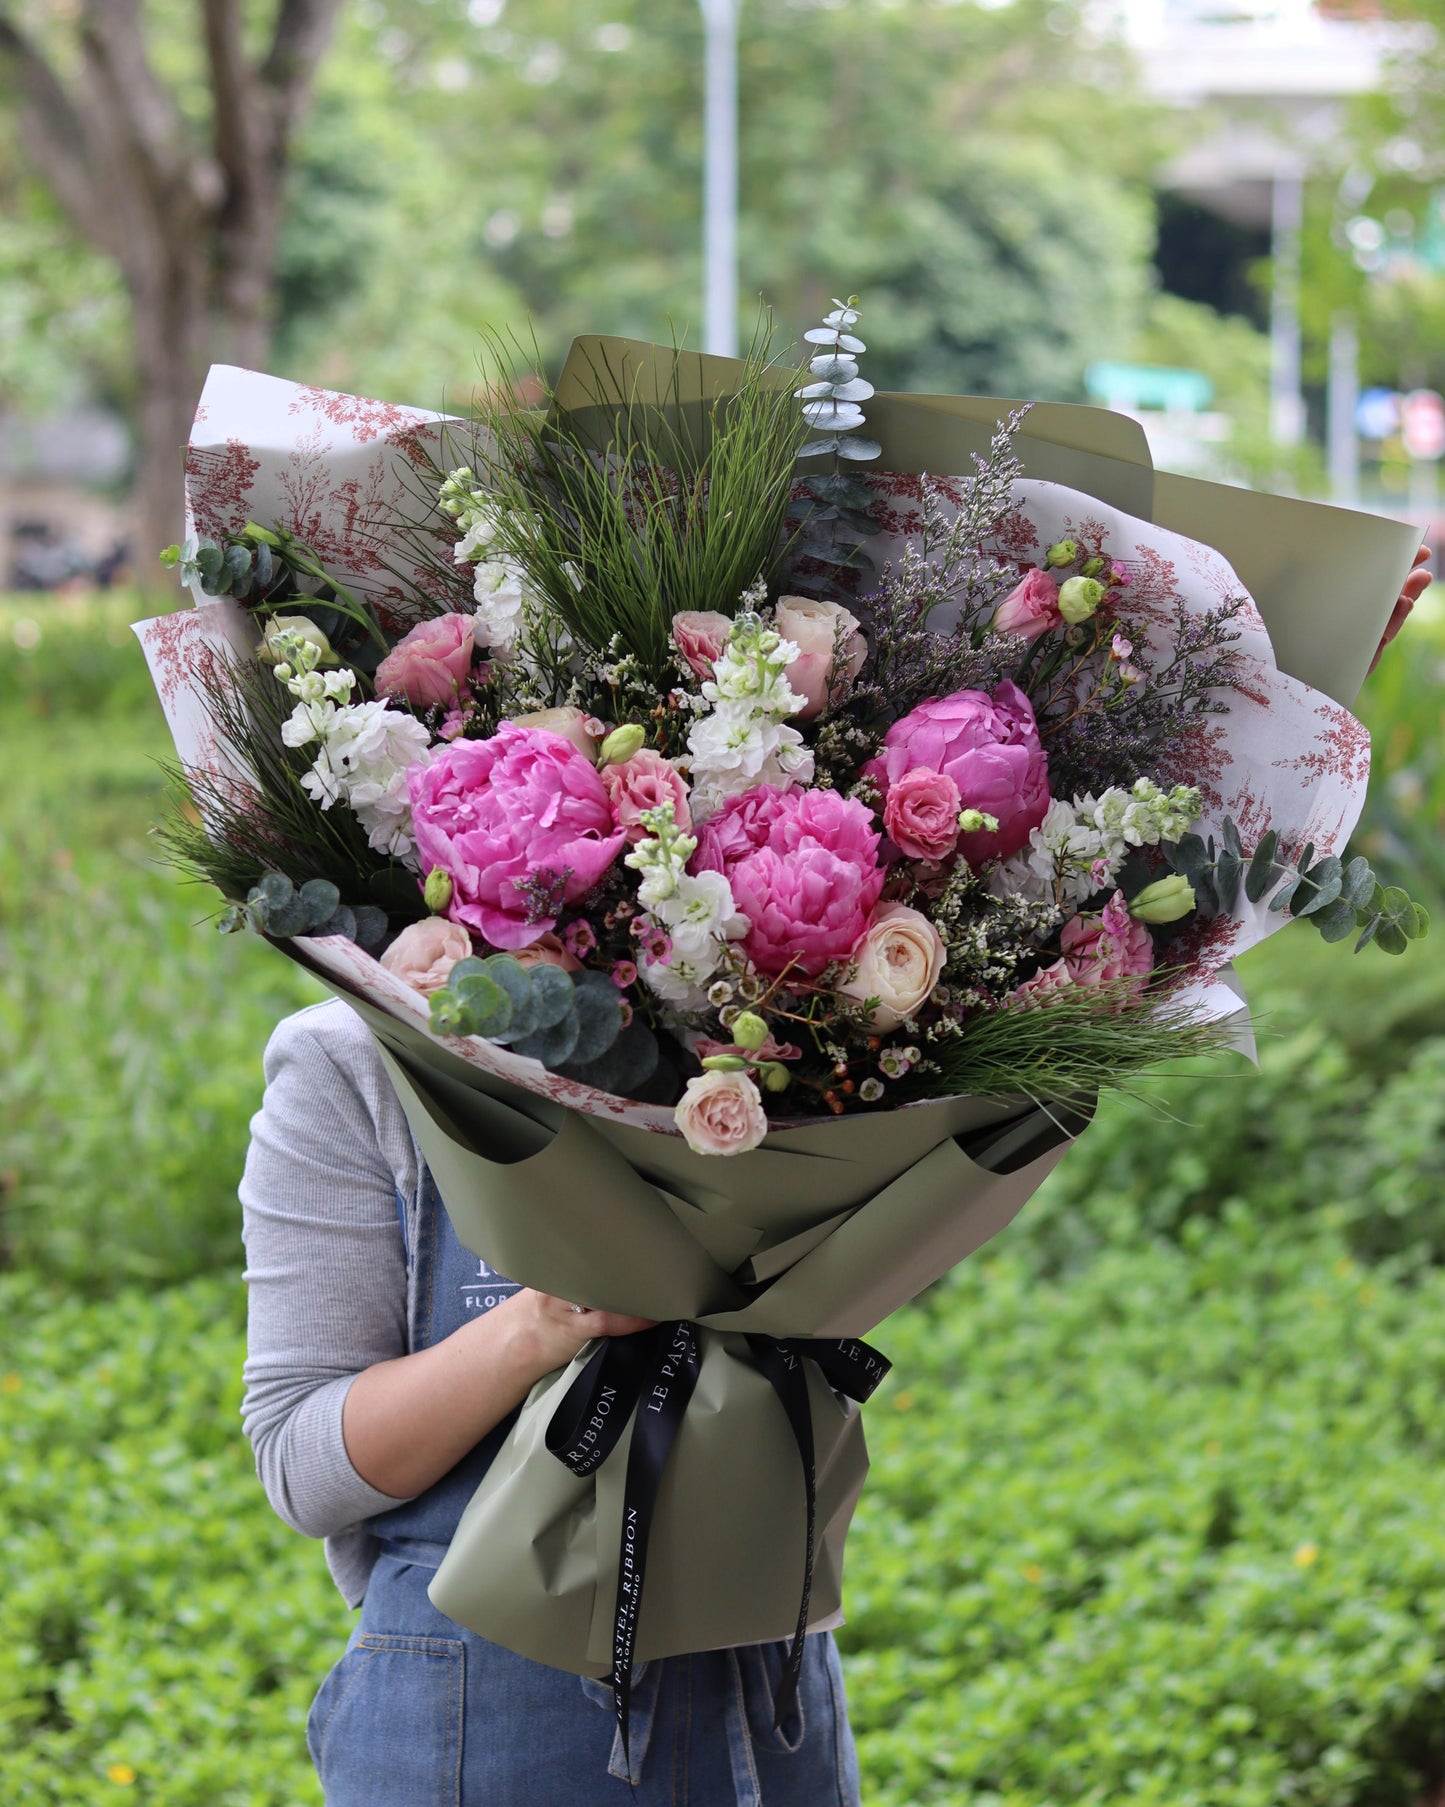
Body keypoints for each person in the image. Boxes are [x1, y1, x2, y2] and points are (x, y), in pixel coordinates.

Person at [240, 552, 1429, 1807]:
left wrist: (1291, 673)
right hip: (482, 1714)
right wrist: (556, 1315)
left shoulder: (803, 1057)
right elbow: (302, 1464)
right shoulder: (351, 1067)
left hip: (777, 1707)